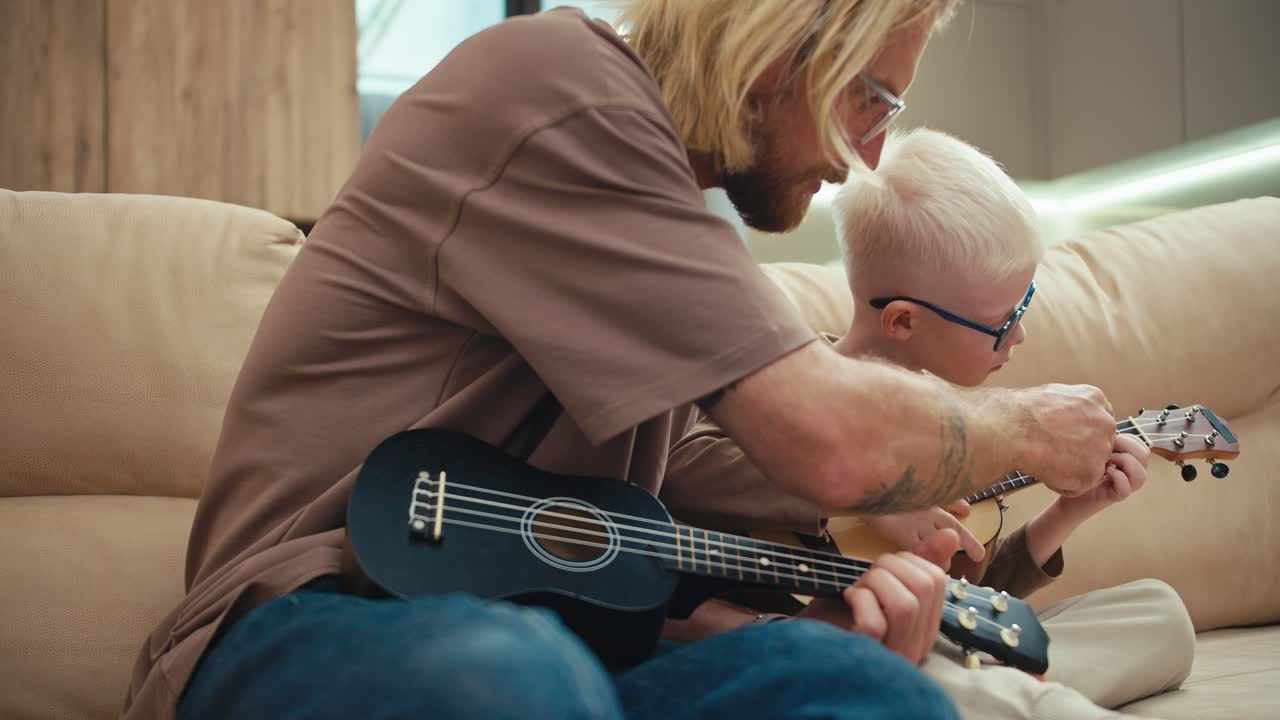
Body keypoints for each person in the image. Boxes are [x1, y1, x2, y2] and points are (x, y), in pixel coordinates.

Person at [122, 3, 1123, 719]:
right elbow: (825, 439)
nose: (865, 152)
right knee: (507, 673)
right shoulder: (555, 86)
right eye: (873, 100)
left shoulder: (674, 228)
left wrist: (796, 626)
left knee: (857, 691)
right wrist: (1034, 433)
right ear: (784, 36)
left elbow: (612, 560)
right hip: (310, 615)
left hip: (551, 647)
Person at [661, 128, 1195, 720]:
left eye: (1026, 305)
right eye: (1001, 321)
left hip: (935, 632)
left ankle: (993, 684)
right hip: (810, 640)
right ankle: (997, 691)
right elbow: (684, 465)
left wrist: (1069, 512)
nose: (1019, 335)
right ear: (903, 323)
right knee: (949, 671)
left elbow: (972, 598)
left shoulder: (960, 429)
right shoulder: (785, 382)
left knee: (1157, 611)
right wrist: (868, 489)